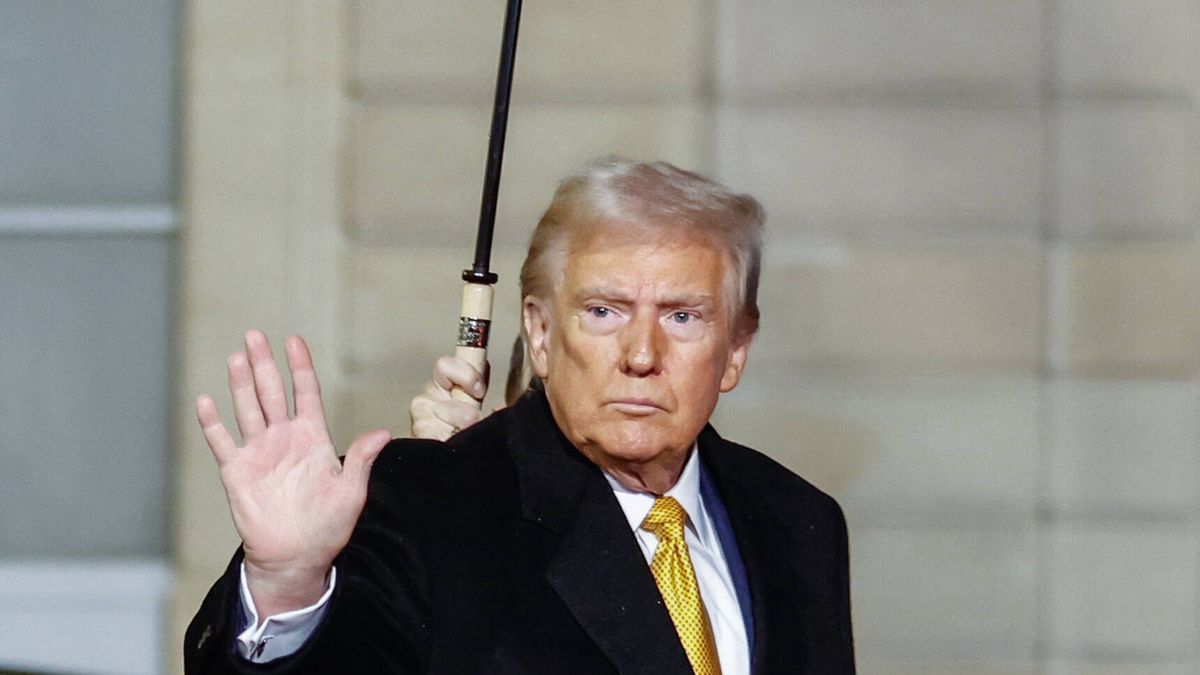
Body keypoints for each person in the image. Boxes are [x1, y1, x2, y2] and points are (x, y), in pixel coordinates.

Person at [185, 157, 855, 674]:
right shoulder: (428, 501)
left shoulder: (799, 522)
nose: (641, 354)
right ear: (538, 332)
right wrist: (287, 584)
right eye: (604, 311)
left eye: (682, 316)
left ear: (734, 350)